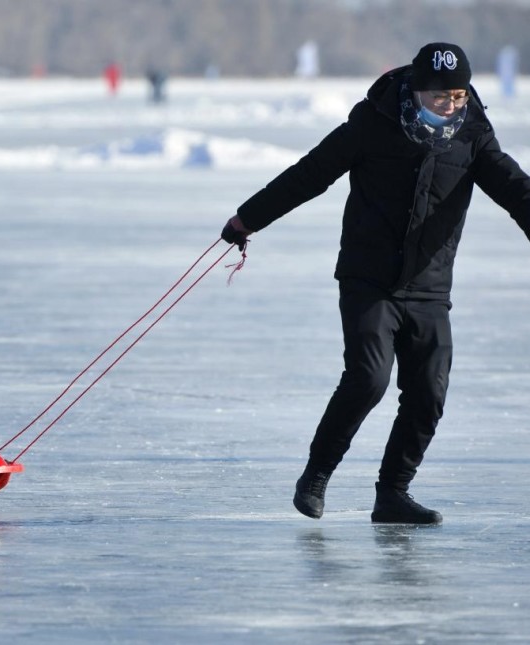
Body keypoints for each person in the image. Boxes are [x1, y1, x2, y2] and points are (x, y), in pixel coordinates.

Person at [220, 42, 530, 524]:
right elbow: (310, 173)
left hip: (429, 286)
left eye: (458, 96)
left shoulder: (472, 134)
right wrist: (248, 219)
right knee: (368, 377)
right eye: (438, 97)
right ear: (415, 91)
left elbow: (514, 188)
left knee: (429, 392)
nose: (449, 106)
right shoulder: (375, 121)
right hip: (369, 279)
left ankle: (393, 495)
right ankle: (317, 475)